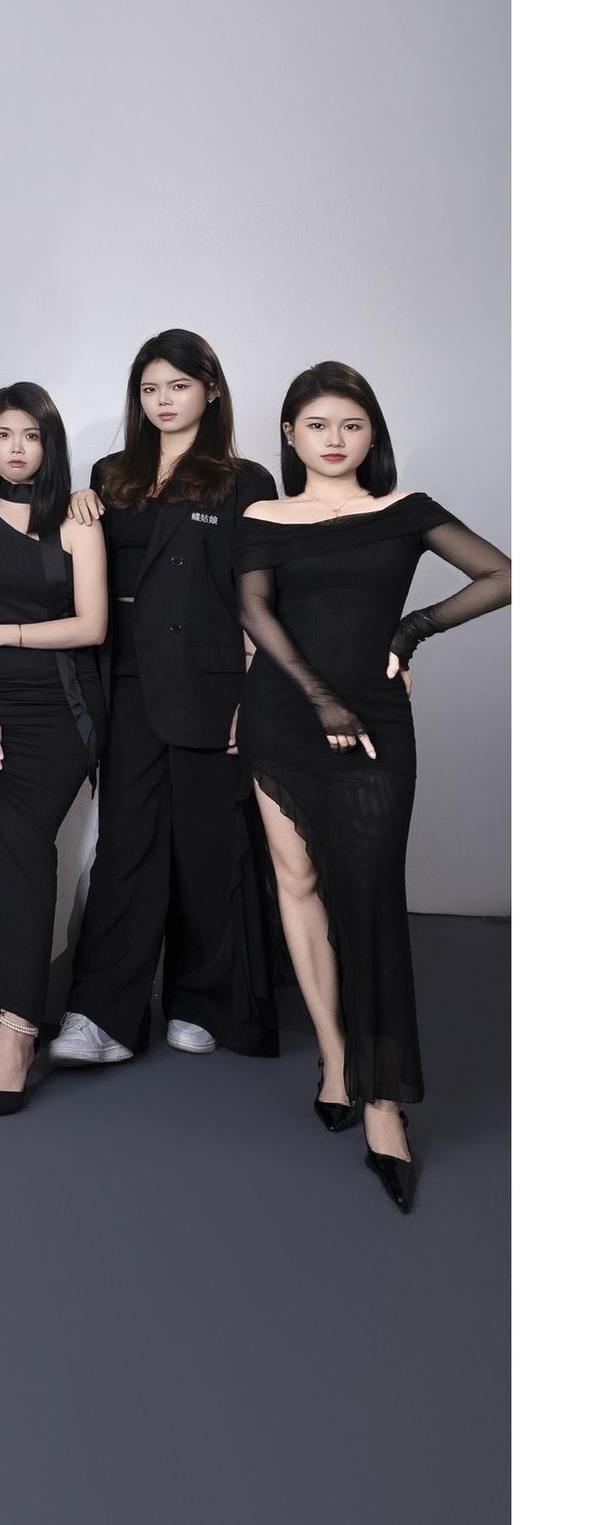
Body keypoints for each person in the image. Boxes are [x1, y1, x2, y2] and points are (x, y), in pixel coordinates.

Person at [236, 361, 510, 1213]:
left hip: (376, 722)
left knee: (373, 897)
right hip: (285, 713)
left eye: (351, 424)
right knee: (297, 882)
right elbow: (254, 611)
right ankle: (336, 1057)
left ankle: (384, 1101)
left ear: (372, 435)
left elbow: (506, 574)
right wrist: (319, 699)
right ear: (290, 434)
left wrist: (414, 628)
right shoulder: (263, 515)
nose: (334, 439)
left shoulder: (406, 510)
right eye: (317, 424)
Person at [46, 328, 282, 1068]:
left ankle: (200, 1000)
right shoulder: (109, 475)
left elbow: (260, 595)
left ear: (210, 391)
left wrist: (255, 692)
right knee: (126, 845)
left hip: (214, 681)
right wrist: (72, 510)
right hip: (125, 678)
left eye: (178, 386)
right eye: (150, 389)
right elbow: (83, 569)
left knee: (209, 847)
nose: (163, 401)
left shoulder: (246, 482)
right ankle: (102, 1014)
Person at [0, 383, 107, 1116]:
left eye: (31, 435)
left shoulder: (76, 518)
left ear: (49, 444)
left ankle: (21, 1028)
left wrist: (3, 635)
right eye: (3, 434)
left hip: (62, 708)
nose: (16, 448)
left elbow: (91, 626)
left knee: (25, 852)